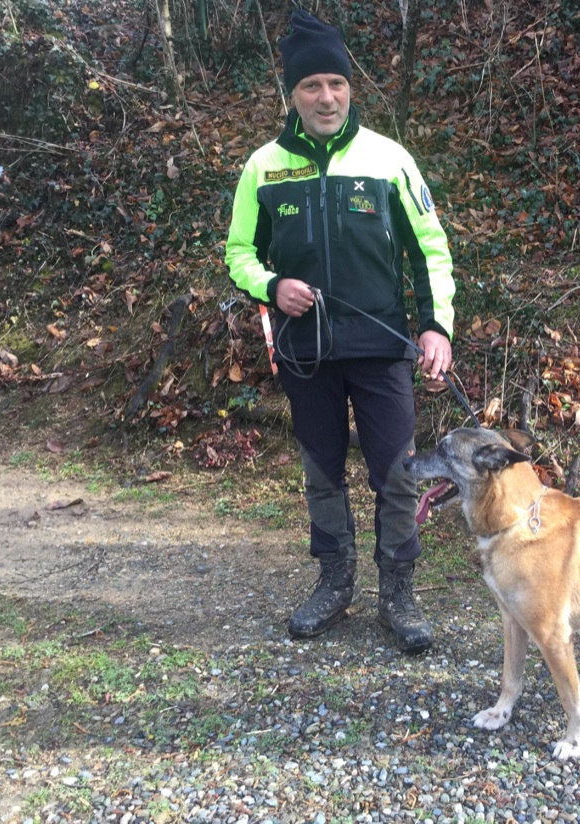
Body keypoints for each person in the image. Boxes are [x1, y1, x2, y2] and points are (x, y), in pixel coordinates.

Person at [224, 9, 455, 654]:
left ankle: (399, 594)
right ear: (291, 95)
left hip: (382, 352)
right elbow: (239, 253)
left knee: (398, 474)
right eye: (311, 87)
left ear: (350, 88)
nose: (326, 97)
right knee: (323, 474)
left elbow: (429, 249)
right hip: (305, 355)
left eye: (336, 84)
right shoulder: (263, 168)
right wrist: (271, 286)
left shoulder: (388, 159)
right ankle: (334, 582)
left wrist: (436, 329)